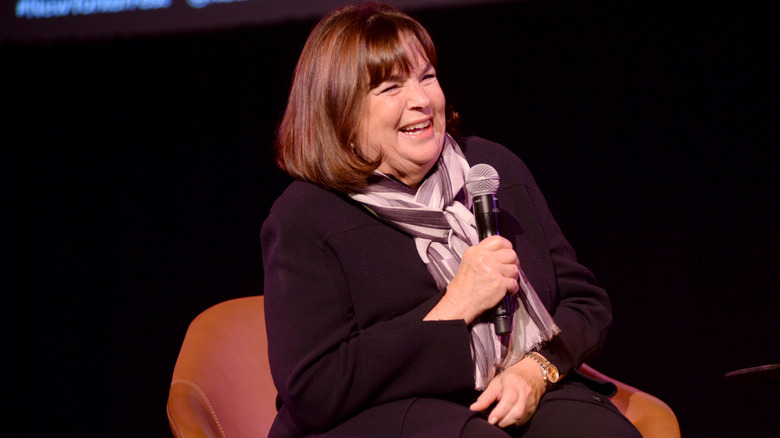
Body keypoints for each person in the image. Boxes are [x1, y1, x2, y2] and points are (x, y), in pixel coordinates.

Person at [261, 3, 641, 437]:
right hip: (383, 414)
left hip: (516, 383)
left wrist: (535, 371)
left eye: (427, 77)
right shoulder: (305, 216)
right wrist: (456, 306)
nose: (421, 101)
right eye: (390, 88)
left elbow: (584, 303)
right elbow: (314, 388)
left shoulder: (492, 167)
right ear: (340, 113)